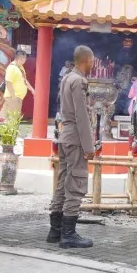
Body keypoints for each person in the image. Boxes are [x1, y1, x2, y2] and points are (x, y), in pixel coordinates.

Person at [47, 45, 95, 249]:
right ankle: (68, 234)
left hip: (64, 135)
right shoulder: (79, 81)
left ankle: (55, 231)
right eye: (92, 60)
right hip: (75, 137)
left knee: (62, 182)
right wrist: (89, 145)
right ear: (87, 60)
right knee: (75, 183)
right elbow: (81, 116)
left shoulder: (67, 77)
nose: (93, 64)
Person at [2, 50, 34, 119]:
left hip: (17, 98)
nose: (25, 60)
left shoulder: (20, 67)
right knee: (11, 120)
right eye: (25, 59)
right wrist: (13, 97)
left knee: (15, 120)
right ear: (21, 59)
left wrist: (32, 90)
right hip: (12, 98)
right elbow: (8, 82)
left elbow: (25, 80)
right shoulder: (11, 68)